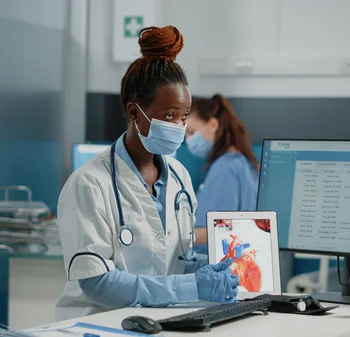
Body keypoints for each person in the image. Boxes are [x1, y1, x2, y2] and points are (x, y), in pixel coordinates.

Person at [55, 26, 239, 320]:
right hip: (100, 323)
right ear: (133, 112)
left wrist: (205, 268)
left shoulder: (179, 177)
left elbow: (174, 260)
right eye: (169, 115)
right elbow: (96, 282)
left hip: (158, 322)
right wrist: (190, 287)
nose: (178, 126)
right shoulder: (90, 183)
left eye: (184, 116)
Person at [184, 95, 259, 252]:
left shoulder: (225, 167)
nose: (188, 140)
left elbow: (220, 230)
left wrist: (174, 237)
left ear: (212, 124)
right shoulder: (242, 162)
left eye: (191, 132)